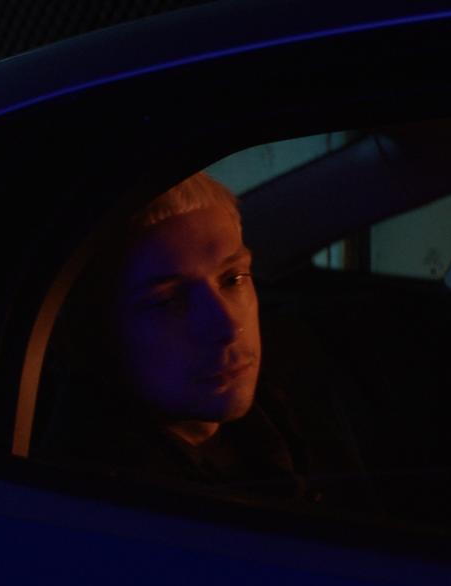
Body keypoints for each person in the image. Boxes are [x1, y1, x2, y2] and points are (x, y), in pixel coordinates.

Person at [47, 171, 322, 500]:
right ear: (96, 331)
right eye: (167, 301)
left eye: (233, 278)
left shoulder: (297, 407)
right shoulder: (100, 498)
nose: (228, 326)